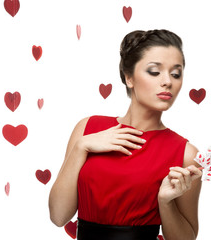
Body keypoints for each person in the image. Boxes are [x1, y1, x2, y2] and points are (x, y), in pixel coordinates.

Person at [49, 29, 202, 240]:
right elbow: (58, 216)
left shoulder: (185, 153)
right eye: (155, 72)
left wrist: (165, 203)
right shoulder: (88, 128)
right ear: (129, 77)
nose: (168, 81)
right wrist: (81, 147)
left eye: (176, 73)